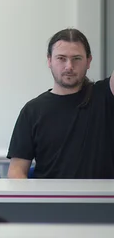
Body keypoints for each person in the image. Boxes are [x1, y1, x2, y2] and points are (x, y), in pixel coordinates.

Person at [7, 28, 114, 179]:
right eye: (61, 58)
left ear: (88, 61)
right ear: (49, 60)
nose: (69, 66)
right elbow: (16, 171)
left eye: (76, 58)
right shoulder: (32, 110)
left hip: (102, 201)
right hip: (49, 201)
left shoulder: (104, 96)